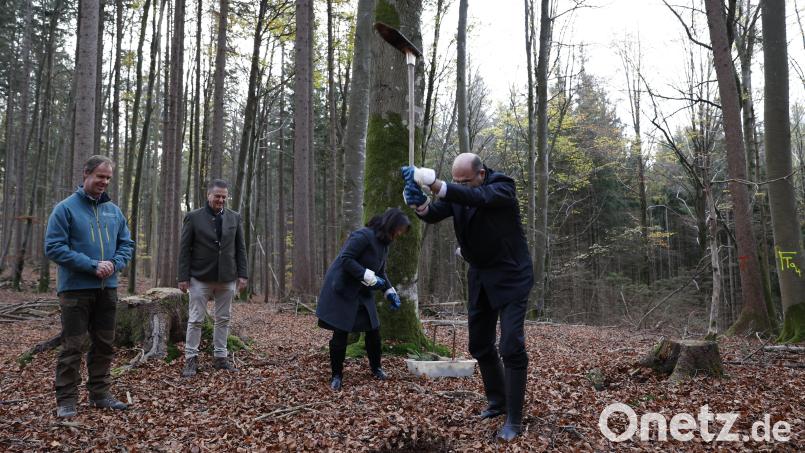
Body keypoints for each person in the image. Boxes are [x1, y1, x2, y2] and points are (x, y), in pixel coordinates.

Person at [402, 153, 533, 442]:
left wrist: (436, 184)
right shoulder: (461, 192)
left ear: (481, 174)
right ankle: (497, 401)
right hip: (481, 275)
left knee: (511, 345)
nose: (460, 186)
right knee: (479, 344)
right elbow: (435, 213)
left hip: (511, 276)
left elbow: (478, 199)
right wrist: (419, 204)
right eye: (456, 181)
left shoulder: (503, 187)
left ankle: (514, 419)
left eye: (465, 181)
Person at [44, 155, 135, 418]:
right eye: (100, 176)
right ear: (86, 174)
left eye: (108, 178)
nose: (104, 182)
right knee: (73, 345)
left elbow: (126, 244)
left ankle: (100, 394)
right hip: (75, 289)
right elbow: (54, 247)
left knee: (105, 343)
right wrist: (92, 264)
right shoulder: (65, 209)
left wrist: (114, 264)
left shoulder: (114, 211)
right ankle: (66, 400)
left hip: (107, 289)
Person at [316, 208, 409, 391]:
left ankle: (376, 368)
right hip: (343, 289)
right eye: (399, 229)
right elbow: (346, 258)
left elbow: (381, 271)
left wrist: (389, 291)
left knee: (374, 331)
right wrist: (368, 276)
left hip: (363, 292)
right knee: (341, 333)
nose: (399, 234)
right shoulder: (363, 236)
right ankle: (336, 375)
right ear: (391, 225)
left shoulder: (384, 244)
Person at [177, 179, 247, 377]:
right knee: (195, 319)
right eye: (217, 196)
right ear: (209, 195)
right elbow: (184, 249)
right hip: (200, 277)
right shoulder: (193, 217)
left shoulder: (235, 217)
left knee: (223, 319)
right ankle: (191, 359)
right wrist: (183, 277)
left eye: (224, 197)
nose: (221, 200)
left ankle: (220, 358)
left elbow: (240, 248)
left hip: (227, 277)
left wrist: (243, 274)